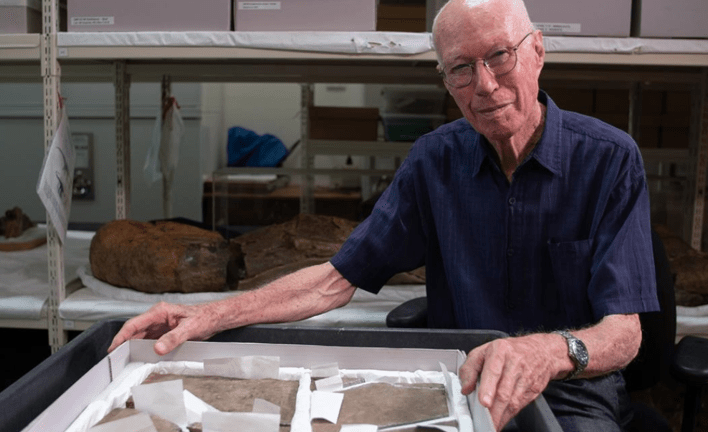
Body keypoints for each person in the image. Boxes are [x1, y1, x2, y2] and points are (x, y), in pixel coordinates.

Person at [109, 0, 659, 430]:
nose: (485, 86)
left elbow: (625, 334)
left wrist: (548, 351)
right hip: (460, 382)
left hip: (568, 391)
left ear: (537, 50)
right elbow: (332, 282)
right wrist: (205, 316)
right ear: (446, 82)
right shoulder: (434, 161)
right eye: (461, 70)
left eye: (499, 56)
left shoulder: (609, 160)